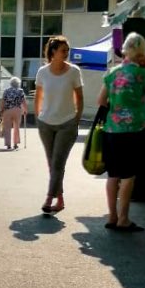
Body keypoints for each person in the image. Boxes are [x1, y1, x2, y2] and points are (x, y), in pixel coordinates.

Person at [97, 31, 145, 233]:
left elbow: (100, 101)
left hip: (111, 130)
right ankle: (123, 219)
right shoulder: (143, 74)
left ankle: (112, 216)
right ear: (142, 52)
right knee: (128, 176)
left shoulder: (112, 73)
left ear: (125, 50)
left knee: (113, 175)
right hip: (133, 130)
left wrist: (117, 105)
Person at [34, 35, 84, 214]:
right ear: (53, 52)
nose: (67, 53)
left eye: (67, 50)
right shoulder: (42, 72)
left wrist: (76, 119)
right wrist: (38, 117)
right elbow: (38, 96)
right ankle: (60, 199)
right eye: (63, 50)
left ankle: (49, 198)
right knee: (52, 163)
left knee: (57, 163)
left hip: (66, 124)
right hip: (46, 123)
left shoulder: (74, 71)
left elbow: (79, 97)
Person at [0, 76, 27, 150]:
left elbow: (3, 101)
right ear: (18, 83)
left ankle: (8, 144)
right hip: (17, 110)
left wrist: (1, 110)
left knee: (7, 128)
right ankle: (15, 144)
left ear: (10, 83)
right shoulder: (20, 91)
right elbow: (23, 101)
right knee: (16, 127)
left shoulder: (6, 91)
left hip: (7, 110)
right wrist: (25, 110)